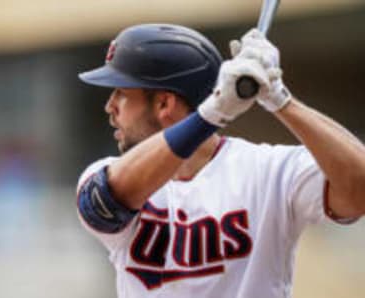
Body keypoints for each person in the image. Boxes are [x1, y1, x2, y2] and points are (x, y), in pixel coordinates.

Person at [75, 23, 365, 298]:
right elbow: (104, 202)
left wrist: (280, 99)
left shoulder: (268, 170)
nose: (110, 106)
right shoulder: (110, 173)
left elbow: (360, 190)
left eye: (122, 93)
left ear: (164, 104)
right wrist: (211, 113)